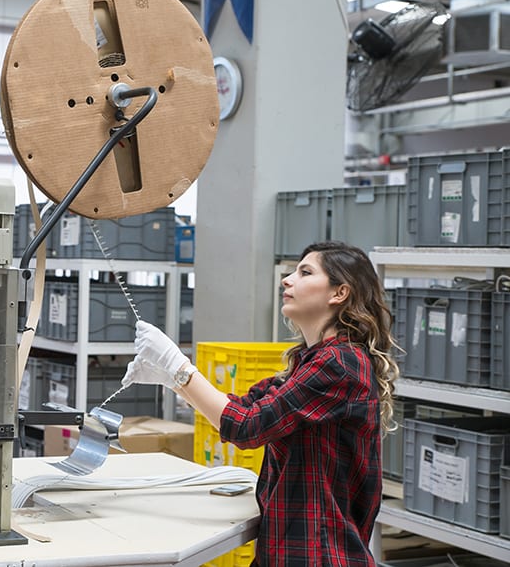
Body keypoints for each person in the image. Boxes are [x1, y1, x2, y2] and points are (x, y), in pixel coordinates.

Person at [123, 241, 399, 567]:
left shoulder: (339, 364)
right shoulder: (310, 361)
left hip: (319, 554)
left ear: (339, 293)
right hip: (286, 547)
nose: (287, 280)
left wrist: (176, 364)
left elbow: (246, 428)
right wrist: (173, 381)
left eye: (305, 272)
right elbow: (240, 408)